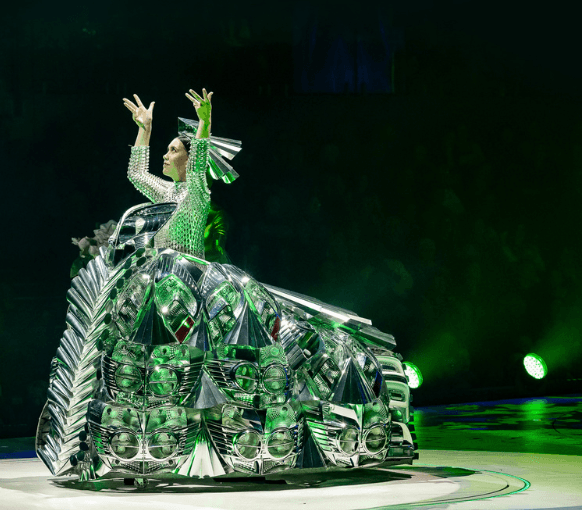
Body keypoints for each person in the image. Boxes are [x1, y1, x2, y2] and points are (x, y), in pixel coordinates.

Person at [37, 89, 414, 482]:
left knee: (210, 366)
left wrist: (204, 123)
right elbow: (135, 174)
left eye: (172, 150)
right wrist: (143, 131)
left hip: (191, 284)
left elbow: (200, 165)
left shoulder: (195, 191)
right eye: (165, 149)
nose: (165, 155)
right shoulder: (168, 193)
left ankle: (235, 447)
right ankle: (141, 450)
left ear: (188, 158)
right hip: (161, 288)